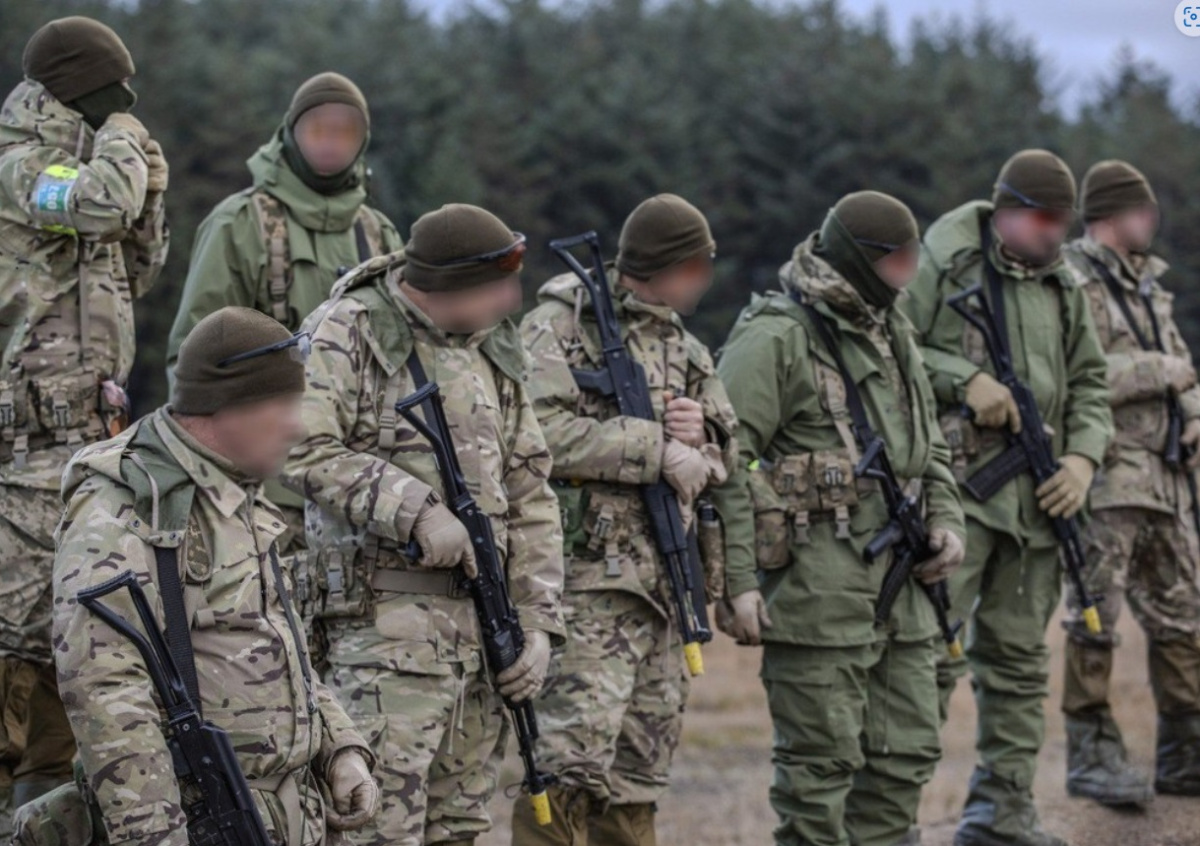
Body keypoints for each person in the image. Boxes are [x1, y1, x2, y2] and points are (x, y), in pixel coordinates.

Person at [283, 203, 564, 846]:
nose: (513, 301)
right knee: (375, 830)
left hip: (484, 643)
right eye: (498, 286)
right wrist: (413, 507)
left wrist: (540, 623)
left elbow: (532, 489)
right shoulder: (349, 330)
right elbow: (297, 443)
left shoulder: (493, 347)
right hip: (382, 639)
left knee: (459, 830)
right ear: (449, 287)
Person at [45, 307, 379, 846]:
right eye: (284, 406)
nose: (298, 425)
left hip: (282, 817)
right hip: (204, 821)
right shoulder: (128, 507)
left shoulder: (233, 489)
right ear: (227, 406)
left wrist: (338, 749)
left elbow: (277, 646)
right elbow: (106, 693)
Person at [711, 191, 965, 846]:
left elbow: (928, 447)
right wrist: (738, 579)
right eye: (898, 260)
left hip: (906, 587)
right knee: (818, 772)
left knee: (906, 753)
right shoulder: (776, 336)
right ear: (858, 259)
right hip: (818, 590)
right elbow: (724, 461)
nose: (910, 274)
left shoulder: (893, 329)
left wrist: (948, 520)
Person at [901, 149, 1113, 846]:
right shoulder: (945, 263)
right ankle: (889, 821)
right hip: (958, 497)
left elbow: (1091, 384)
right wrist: (963, 380)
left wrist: (1082, 459)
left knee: (1020, 665)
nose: (1057, 233)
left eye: (1065, 221)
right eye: (1045, 218)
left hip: (1042, 503)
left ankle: (1004, 814)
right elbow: (893, 348)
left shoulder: (1063, 286)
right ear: (1008, 211)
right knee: (926, 657)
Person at [513, 194, 738, 845]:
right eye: (697, 267)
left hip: (665, 588)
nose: (704, 281)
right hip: (586, 585)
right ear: (667, 265)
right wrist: (652, 448)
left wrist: (703, 435)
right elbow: (533, 432)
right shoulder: (560, 327)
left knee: (639, 773)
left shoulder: (684, 344)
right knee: (568, 765)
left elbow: (732, 448)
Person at [0, 15, 168, 832]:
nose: (122, 109)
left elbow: (138, 266)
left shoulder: (93, 158)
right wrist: (127, 148)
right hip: (21, 461)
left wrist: (150, 192)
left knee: (77, 656)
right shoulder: (23, 168)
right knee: (11, 658)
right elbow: (98, 204)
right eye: (110, 97)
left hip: (93, 449)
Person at [165, 71, 402, 560]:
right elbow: (194, 357)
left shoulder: (377, 233)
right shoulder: (241, 223)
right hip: (266, 487)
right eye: (318, 129)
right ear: (291, 132)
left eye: (346, 131)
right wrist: (216, 471)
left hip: (361, 488)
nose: (331, 143)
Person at [1059, 159, 1200, 805]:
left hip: (1166, 481)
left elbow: (1183, 367)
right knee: (1095, 615)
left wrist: (1193, 411)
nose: (1152, 219)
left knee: (1183, 615)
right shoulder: (1072, 281)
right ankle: (1091, 753)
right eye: (1142, 209)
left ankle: (1185, 753)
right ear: (1111, 214)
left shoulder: (1148, 286)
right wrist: (1157, 371)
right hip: (1108, 478)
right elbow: (1071, 374)